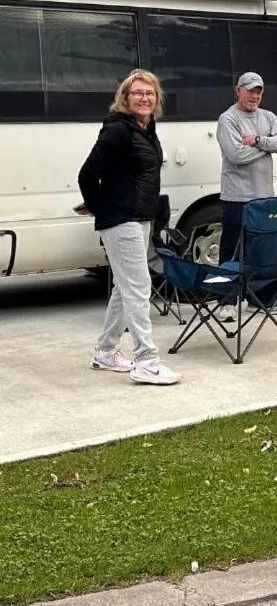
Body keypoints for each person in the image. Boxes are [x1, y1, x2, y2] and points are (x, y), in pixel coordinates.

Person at [78, 70, 182, 386]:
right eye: (137, 93)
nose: (144, 98)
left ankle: (106, 352)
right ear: (125, 97)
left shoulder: (146, 129)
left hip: (140, 217)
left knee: (124, 289)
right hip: (121, 218)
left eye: (149, 93)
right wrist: (98, 204)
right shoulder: (117, 130)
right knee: (138, 287)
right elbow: (87, 174)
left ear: (157, 98)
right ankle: (147, 361)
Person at [216, 71, 277, 269]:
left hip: (264, 199)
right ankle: (228, 287)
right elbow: (236, 155)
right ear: (238, 91)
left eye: (258, 92)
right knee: (232, 253)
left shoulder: (269, 116)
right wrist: (268, 147)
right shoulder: (228, 119)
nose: (254, 96)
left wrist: (258, 140)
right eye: (250, 91)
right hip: (237, 200)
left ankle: (256, 288)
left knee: (260, 252)